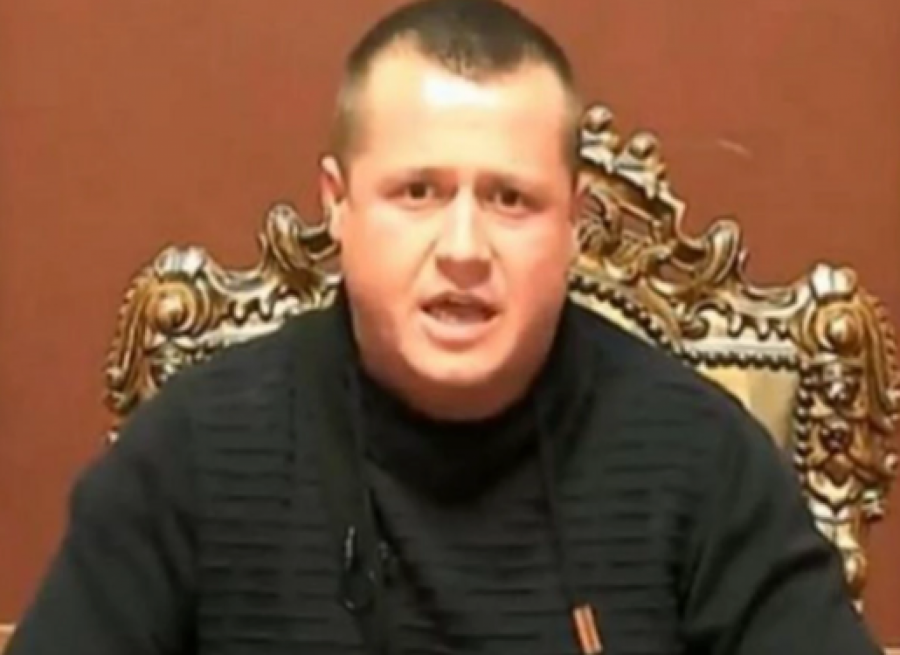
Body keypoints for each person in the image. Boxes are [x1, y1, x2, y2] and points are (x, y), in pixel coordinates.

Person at [6, 0, 881, 653]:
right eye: (418, 191)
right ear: (338, 204)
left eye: (511, 199)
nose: (463, 249)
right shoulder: (192, 451)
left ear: (574, 223)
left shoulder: (700, 458)